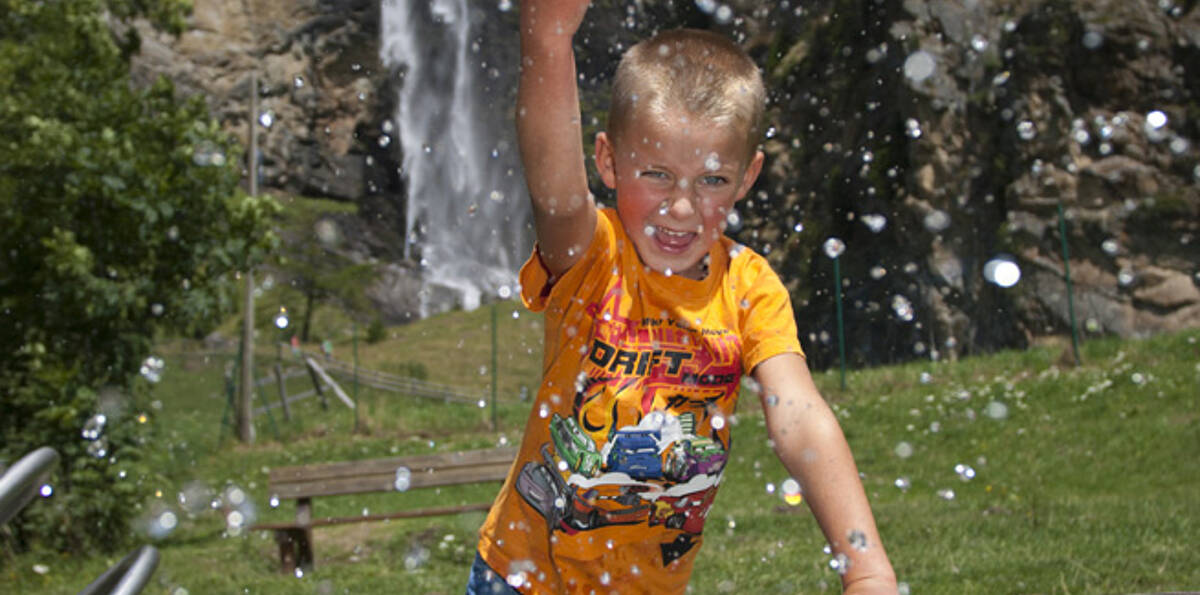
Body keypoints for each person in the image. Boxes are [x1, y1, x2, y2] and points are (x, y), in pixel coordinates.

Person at [469, 1, 897, 593]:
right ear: (609, 161)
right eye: (657, 174)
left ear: (747, 178)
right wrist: (547, 35)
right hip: (523, 580)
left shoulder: (749, 287)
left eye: (713, 180)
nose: (681, 207)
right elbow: (559, 200)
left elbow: (800, 419)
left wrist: (867, 567)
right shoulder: (596, 257)